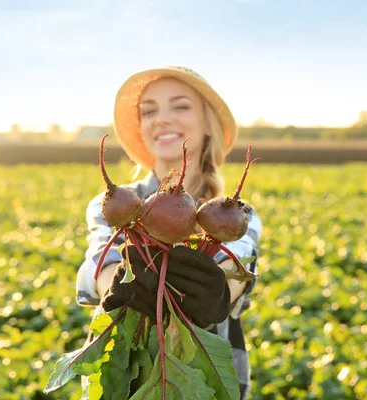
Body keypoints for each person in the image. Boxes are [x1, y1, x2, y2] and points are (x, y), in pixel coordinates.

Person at [75, 66, 263, 398]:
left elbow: (240, 264)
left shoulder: (240, 212)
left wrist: (219, 293)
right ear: (143, 130)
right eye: (149, 111)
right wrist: (115, 284)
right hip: (123, 374)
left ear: (208, 125)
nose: (161, 119)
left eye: (180, 106)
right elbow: (99, 258)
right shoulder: (113, 202)